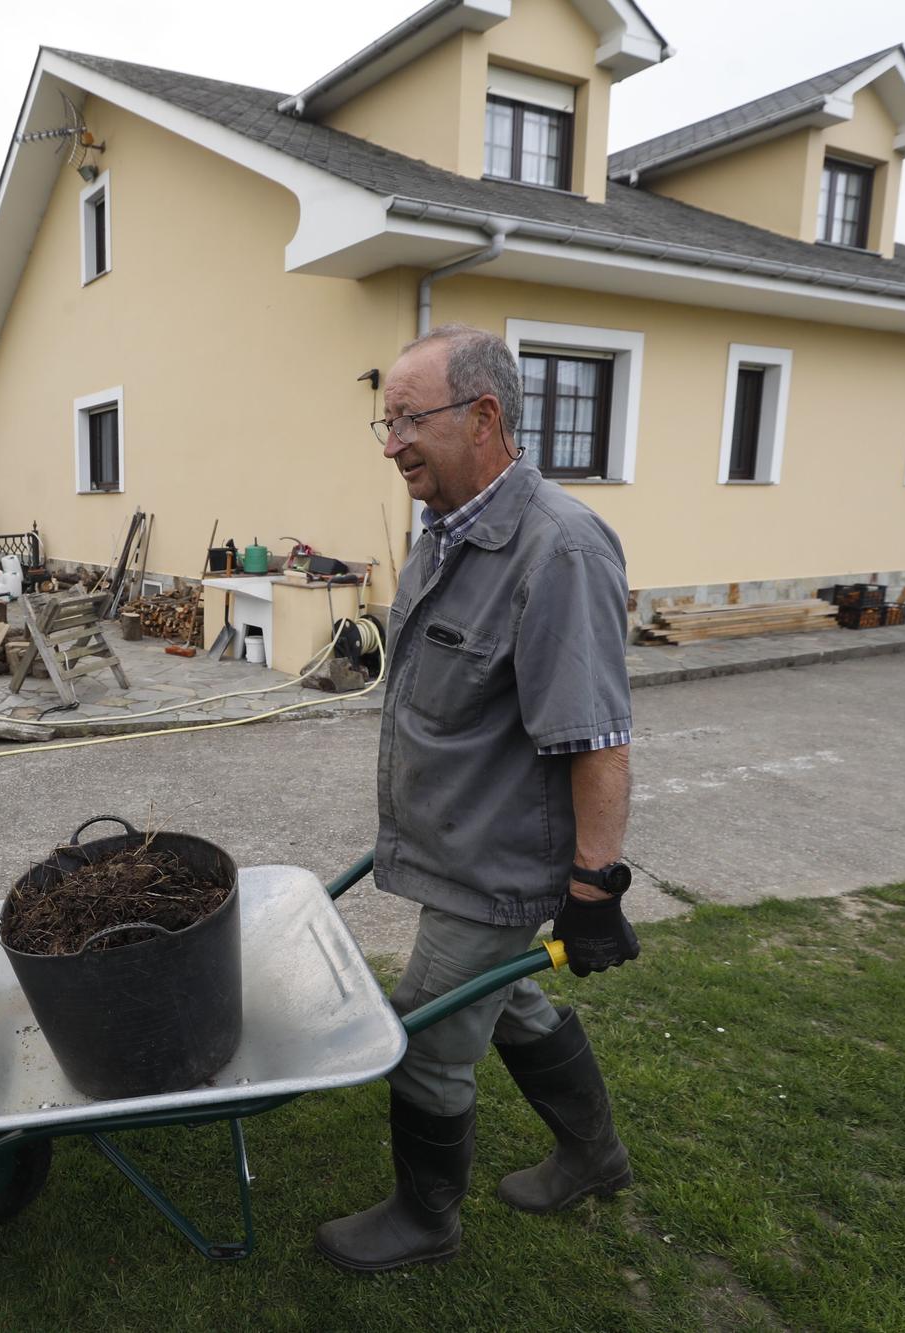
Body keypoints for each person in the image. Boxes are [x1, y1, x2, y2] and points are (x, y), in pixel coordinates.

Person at [315, 323, 641, 1274]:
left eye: (407, 419)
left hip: (498, 861)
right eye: (384, 423)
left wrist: (593, 890)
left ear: (484, 415)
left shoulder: (560, 551)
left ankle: (425, 1219)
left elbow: (598, 740)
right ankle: (594, 1153)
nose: (390, 443)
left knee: (423, 1034)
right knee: (508, 1004)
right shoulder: (445, 535)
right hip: (449, 842)